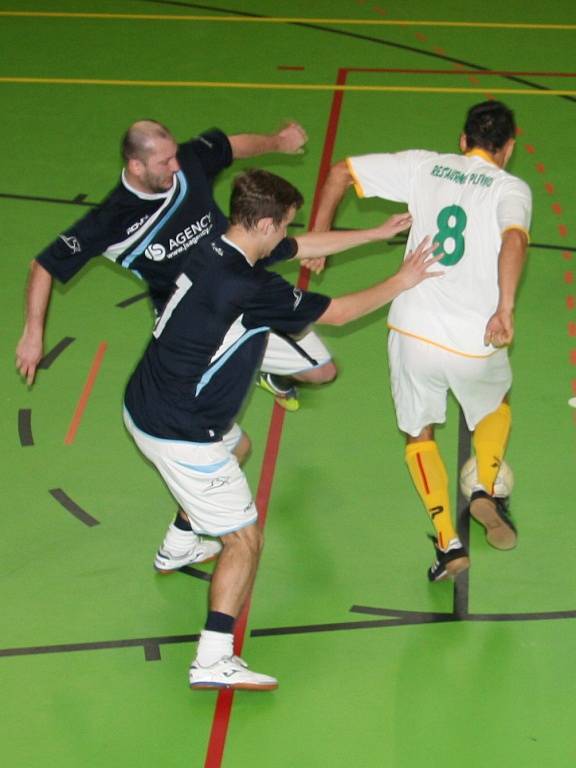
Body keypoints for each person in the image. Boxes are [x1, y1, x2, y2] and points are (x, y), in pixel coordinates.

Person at [15, 117, 414, 573]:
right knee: (235, 448)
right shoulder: (112, 220)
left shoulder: (185, 165)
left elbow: (229, 147)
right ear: (135, 164)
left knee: (320, 372)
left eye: (173, 155)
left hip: (245, 289)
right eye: (163, 161)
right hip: (202, 332)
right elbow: (44, 264)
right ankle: (185, 551)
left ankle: (181, 536)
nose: (175, 165)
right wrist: (33, 332)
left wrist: (279, 141)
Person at [123, 168, 441, 689]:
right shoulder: (247, 287)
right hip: (182, 430)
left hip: (146, 400)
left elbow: (298, 245)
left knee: (241, 446)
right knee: (245, 540)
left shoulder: (220, 244)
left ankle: (179, 542)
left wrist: (375, 234)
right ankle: (212, 657)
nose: (287, 234)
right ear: (264, 222)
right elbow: (337, 313)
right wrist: (401, 280)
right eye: (284, 224)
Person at [313, 100, 531, 582]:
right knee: (497, 403)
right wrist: (506, 307)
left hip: (413, 331)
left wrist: (318, 240)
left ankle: (447, 540)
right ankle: (484, 486)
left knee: (419, 434)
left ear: (462, 139)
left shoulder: (424, 165)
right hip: (476, 338)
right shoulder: (509, 188)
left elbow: (337, 174)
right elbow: (514, 240)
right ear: (509, 147)